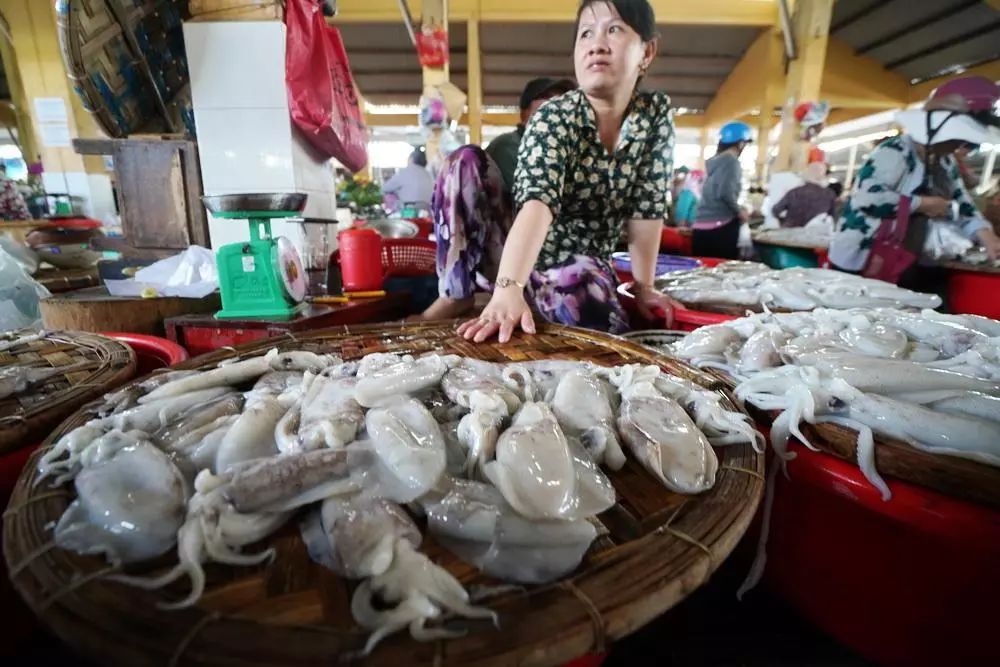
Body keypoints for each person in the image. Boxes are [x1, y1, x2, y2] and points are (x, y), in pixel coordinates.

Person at [419, 0, 677, 341]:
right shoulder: (555, 115)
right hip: (511, 259)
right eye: (585, 34)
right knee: (463, 161)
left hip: (581, 265)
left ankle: (536, 299)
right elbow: (537, 203)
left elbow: (648, 207)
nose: (596, 44)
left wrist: (644, 286)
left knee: (602, 325)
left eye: (613, 29)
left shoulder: (655, 114)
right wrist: (508, 288)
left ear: (647, 51)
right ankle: (456, 294)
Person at [829, 75, 1000, 282]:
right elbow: (866, 199)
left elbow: (962, 203)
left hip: (904, 256)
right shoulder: (895, 151)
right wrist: (922, 204)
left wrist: (985, 233)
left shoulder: (945, 163)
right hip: (861, 257)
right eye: (959, 139)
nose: (961, 146)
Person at [485, 77, 577, 194]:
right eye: (547, 97)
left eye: (562, 98)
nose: (556, 103)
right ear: (524, 114)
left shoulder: (560, 150)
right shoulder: (508, 147)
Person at [692, 121, 753, 259]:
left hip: (700, 227)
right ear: (741, 143)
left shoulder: (714, 163)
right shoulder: (731, 162)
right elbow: (725, 193)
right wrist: (740, 211)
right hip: (720, 228)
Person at [771, 162, 837, 228]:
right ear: (823, 175)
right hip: (815, 234)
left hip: (791, 233)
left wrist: (783, 221)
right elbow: (832, 218)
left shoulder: (794, 192)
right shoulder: (829, 194)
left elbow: (775, 210)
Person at [381, 149, 434, 214]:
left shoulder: (404, 172)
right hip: (427, 213)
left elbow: (385, 188)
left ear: (411, 159)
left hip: (408, 212)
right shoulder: (429, 174)